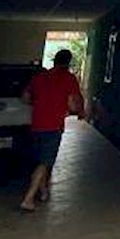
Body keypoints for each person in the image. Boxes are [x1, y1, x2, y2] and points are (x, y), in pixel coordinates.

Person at [18, 49, 85, 212]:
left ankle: (43, 191)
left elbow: (25, 97)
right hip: (53, 125)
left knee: (40, 160)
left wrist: (39, 104)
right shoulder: (69, 78)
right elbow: (72, 103)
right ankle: (28, 199)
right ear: (68, 62)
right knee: (45, 162)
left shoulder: (40, 77)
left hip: (36, 124)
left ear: (55, 60)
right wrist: (77, 112)